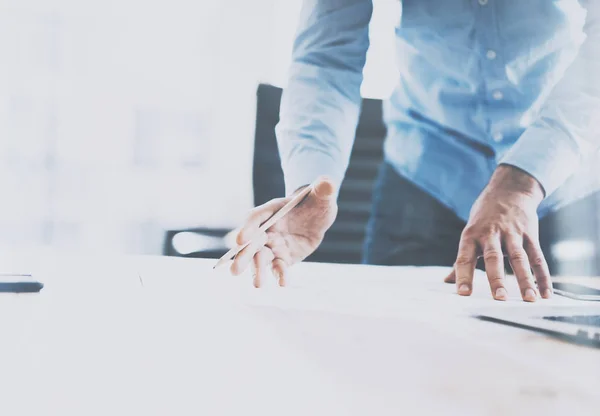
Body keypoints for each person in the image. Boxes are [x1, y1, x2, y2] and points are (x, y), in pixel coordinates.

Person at [229, 0, 600, 302]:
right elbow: (326, 59)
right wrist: (309, 187)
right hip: (425, 177)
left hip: (565, 185)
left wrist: (523, 179)